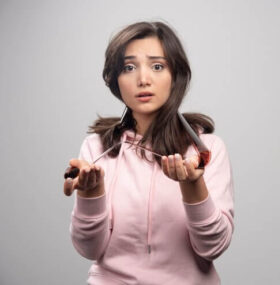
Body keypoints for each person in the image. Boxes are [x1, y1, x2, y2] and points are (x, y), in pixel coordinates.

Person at [63, 21, 234, 285]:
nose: (143, 79)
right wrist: (91, 193)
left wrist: (193, 185)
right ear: (115, 79)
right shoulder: (96, 148)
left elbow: (212, 247)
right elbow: (89, 250)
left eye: (157, 66)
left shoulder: (206, 150)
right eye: (129, 68)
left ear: (175, 76)